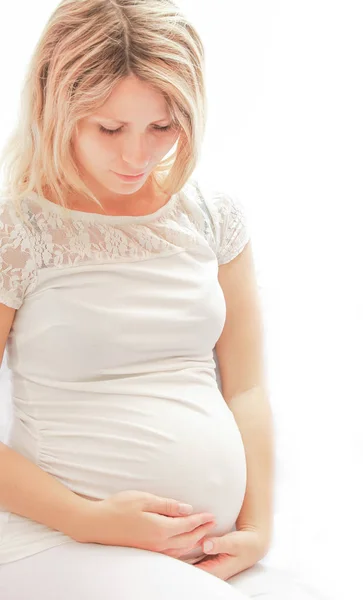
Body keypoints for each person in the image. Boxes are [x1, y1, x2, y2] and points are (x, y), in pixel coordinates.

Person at [0, 1, 276, 598]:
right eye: (109, 128)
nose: (137, 156)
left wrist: (255, 528)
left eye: (162, 127)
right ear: (55, 107)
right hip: (61, 540)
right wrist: (88, 519)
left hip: (202, 553)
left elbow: (246, 387)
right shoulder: (20, 230)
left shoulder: (211, 216)